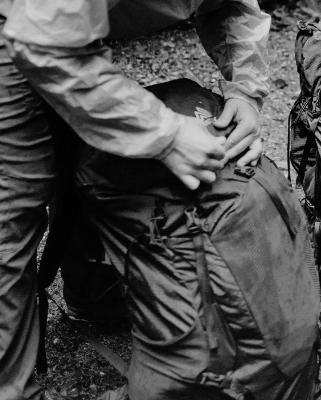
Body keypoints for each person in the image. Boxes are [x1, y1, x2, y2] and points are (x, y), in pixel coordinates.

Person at [0, 0, 267, 397]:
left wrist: (245, 91)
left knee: (95, 149)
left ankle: (93, 294)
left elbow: (230, 5)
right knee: (12, 205)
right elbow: (43, 40)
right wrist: (166, 135)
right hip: (21, 28)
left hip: (68, 28)